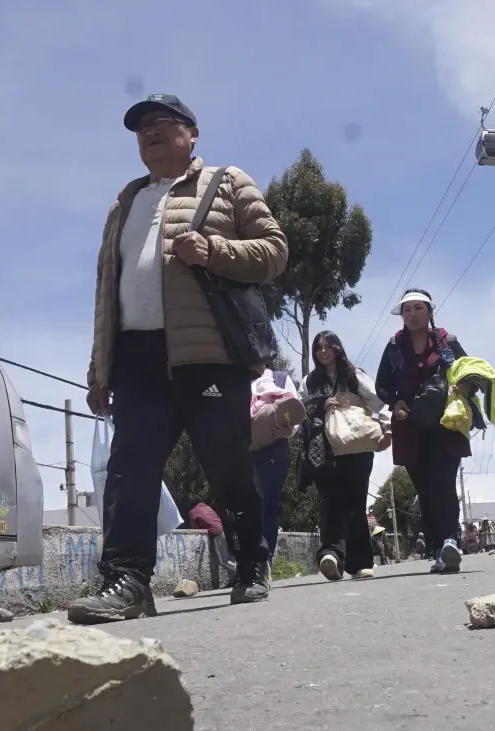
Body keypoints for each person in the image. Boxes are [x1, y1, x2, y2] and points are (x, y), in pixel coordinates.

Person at [70, 93, 288, 624]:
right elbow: (107, 292)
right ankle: (127, 581)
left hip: (207, 355)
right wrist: (100, 370)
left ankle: (252, 562)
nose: (150, 132)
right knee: (130, 469)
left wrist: (215, 251)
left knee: (227, 461)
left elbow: (275, 250)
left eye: (163, 123)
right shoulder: (124, 202)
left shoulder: (228, 183)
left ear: (192, 134)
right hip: (138, 358)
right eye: (142, 127)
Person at [375, 289, 474, 574]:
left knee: (443, 483)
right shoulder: (394, 346)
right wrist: (397, 401)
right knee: (425, 490)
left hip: (446, 425)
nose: (412, 313)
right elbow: (381, 385)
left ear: (429, 311)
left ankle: (449, 541)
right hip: (410, 428)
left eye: (418, 308)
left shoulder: (447, 342)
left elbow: (473, 374)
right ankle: (435, 548)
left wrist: (463, 387)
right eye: (407, 309)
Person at [299, 331, 391, 581]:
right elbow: (299, 411)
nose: (323, 352)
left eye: (328, 347)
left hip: (357, 447)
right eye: (318, 348)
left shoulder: (354, 375)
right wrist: (320, 405)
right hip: (324, 449)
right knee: (330, 502)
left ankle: (361, 563)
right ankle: (331, 555)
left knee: (355, 503)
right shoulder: (309, 381)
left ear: (338, 348)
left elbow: (379, 402)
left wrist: (388, 431)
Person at [251, 365, 300, 572]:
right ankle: (248, 562)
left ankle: (265, 561)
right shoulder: (237, 379)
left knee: (269, 505)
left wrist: (288, 430)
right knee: (245, 507)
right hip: (245, 451)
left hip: (275, 451)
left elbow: (296, 411)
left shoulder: (280, 378)